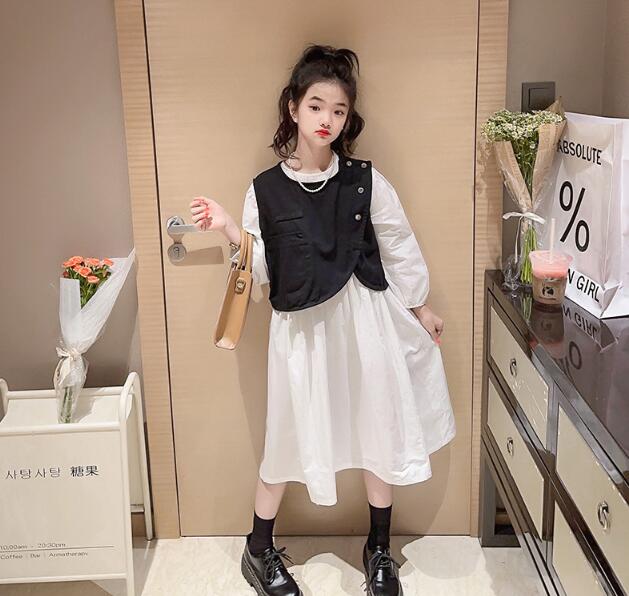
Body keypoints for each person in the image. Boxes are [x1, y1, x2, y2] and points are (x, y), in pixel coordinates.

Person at [189, 44, 456, 596]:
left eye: (338, 110)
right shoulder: (264, 190)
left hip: (366, 323)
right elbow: (260, 271)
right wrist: (228, 228)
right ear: (293, 107)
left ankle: (379, 549)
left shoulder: (365, 180)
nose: (326, 120)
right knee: (286, 436)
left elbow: (399, 245)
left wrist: (420, 307)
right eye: (315, 106)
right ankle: (258, 548)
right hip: (301, 332)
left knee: (378, 425)